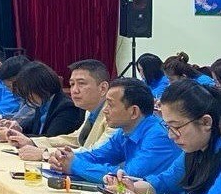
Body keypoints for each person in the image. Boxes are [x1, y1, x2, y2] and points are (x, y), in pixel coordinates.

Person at [104, 80, 221, 194]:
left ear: (206, 122)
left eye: (176, 127)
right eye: (167, 127)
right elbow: (165, 181)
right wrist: (131, 187)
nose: (171, 135)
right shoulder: (192, 150)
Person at [47, 78, 180, 183]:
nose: (105, 110)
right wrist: (63, 158)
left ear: (133, 111)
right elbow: (97, 156)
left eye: (110, 104)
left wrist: (75, 165)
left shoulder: (159, 136)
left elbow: (128, 177)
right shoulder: (125, 130)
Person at [7, 59, 114, 161]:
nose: (74, 90)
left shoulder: (115, 115)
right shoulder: (89, 110)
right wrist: (32, 142)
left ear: (103, 88)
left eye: (81, 83)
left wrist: (45, 153)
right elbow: (75, 139)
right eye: (72, 84)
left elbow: (97, 153)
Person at [8, 61, 83, 137]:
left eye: (29, 92)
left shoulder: (66, 107)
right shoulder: (43, 103)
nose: (28, 97)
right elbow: (33, 129)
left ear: (41, 86)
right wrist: (17, 129)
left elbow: (52, 139)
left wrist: (18, 136)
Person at [0, 55, 32, 124]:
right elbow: (19, 115)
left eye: (9, 86)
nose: (11, 91)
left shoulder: (34, 96)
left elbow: (21, 119)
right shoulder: (24, 96)